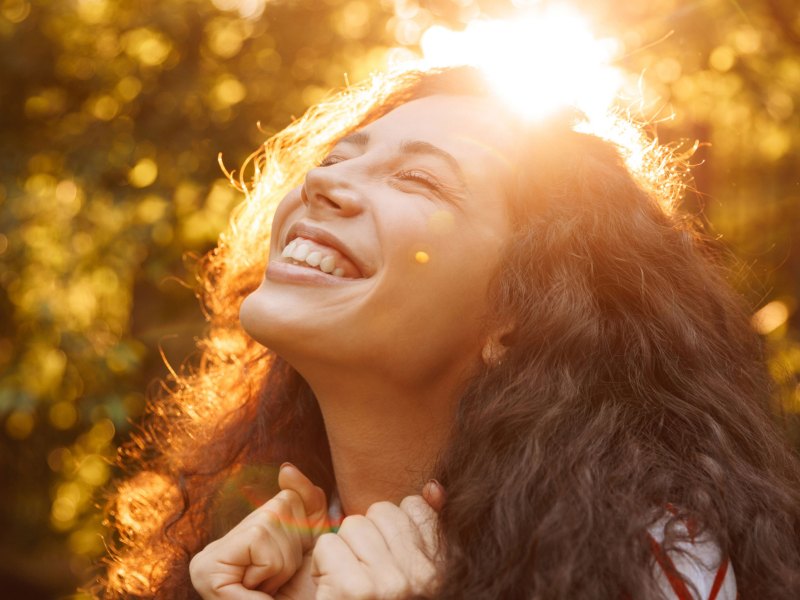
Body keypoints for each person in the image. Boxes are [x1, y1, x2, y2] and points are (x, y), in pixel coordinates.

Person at [92, 67, 800, 599]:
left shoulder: (659, 563)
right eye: (338, 157)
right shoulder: (257, 558)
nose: (321, 183)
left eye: (420, 182)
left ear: (521, 311)